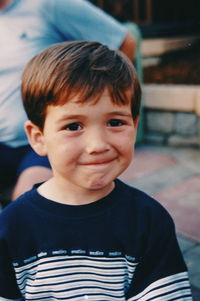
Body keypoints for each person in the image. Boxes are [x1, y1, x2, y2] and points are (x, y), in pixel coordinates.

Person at [0, 41, 192, 300]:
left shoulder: (148, 220)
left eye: (115, 122)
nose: (97, 145)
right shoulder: (12, 227)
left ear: (134, 126)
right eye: (73, 126)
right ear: (38, 137)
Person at [0, 0, 136, 201]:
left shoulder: (49, 4)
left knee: (30, 200)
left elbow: (124, 42)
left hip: (51, 140)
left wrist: (108, 108)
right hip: (3, 141)